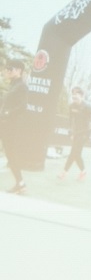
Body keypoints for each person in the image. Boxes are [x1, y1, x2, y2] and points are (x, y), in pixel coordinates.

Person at [1, 59, 30, 194]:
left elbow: (23, 106)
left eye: (10, 69)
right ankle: (21, 184)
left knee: (11, 154)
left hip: (11, 126)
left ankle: (21, 183)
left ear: (19, 71)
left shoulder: (21, 86)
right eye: (7, 68)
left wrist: (7, 113)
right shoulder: (13, 85)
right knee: (10, 154)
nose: (7, 71)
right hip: (4, 123)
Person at [58, 86, 91, 181]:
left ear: (81, 96)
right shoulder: (71, 106)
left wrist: (89, 135)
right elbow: (71, 120)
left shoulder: (88, 107)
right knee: (77, 154)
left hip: (85, 133)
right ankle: (83, 171)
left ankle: (64, 172)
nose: (74, 96)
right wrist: (71, 131)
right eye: (73, 94)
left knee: (73, 152)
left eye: (76, 94)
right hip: (76, 133)